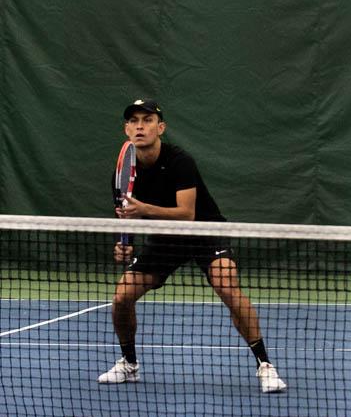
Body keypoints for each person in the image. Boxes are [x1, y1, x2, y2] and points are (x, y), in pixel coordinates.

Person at [99, 98, 287, 393]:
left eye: (147, 120)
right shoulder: (122, 174)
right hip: (164, 240)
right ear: (126, 129)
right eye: (134, 121)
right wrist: (125, 245)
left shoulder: (179, 161)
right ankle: (129, 364)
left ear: (160, 127)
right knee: (122, 297)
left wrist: (142, 210)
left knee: (226, 285)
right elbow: (126, 216)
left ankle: (265, 365)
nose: (140, 126)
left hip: (203, 231)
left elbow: (185, 213)